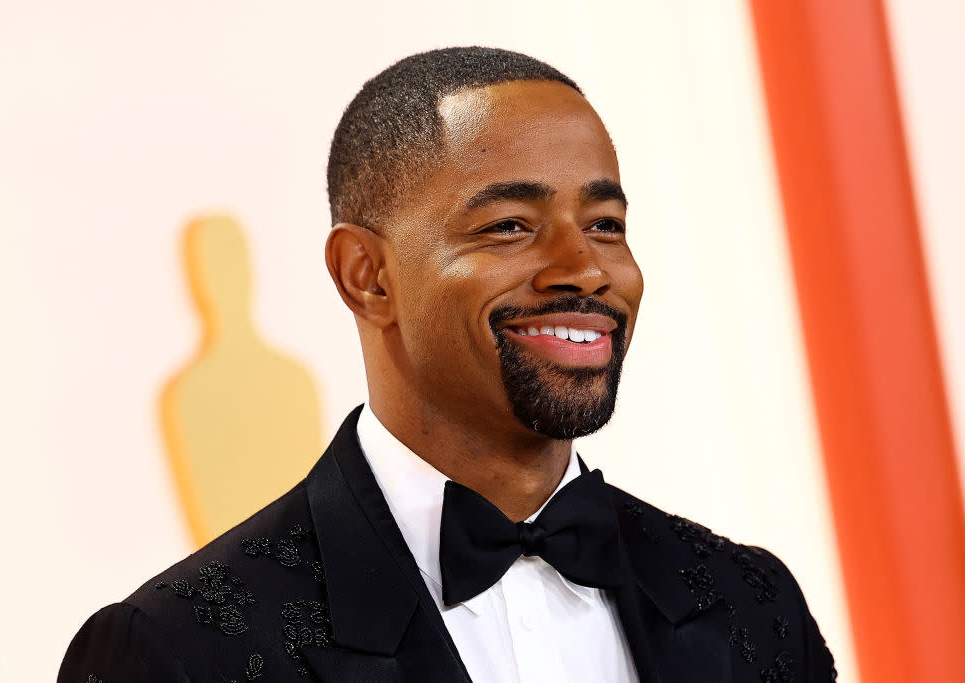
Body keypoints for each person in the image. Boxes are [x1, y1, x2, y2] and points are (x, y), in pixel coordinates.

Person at [59, 46, 837, 682]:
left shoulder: (752, 607)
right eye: (508, 225)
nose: (586, 268)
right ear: (368, 275)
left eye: (605, 223)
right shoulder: (179, 650)